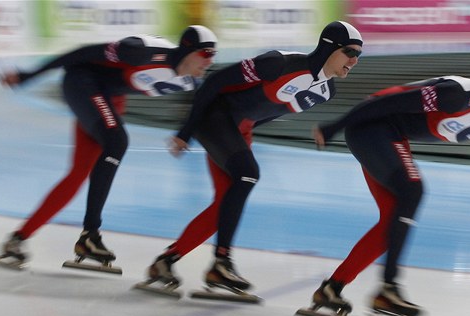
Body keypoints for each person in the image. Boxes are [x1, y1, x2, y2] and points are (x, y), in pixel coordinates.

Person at [308, 57, 470, 316]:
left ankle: (332, 288)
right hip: (371, 127)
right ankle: (389, 289)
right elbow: (383, 102)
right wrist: (334, 126)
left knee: (392, 220)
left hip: (390, 137)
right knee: (413, 191)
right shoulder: (457, 95)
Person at [144, 21, 364, 293]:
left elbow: (274, 111)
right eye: (350, 52)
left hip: (238, 129)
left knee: (226, 203)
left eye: (359, 55)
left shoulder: (326, 92)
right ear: (329, 48)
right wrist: (186, 132)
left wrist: (243, 135)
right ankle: (221, 263)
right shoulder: (278, 63)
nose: (354, 61)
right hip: (215, 118)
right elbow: (214, 82)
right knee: (247, 175)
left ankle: (166, 261)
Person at [0, 25, 218, 268]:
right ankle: (90, 233)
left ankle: (18, 238)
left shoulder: (191, 82)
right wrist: (29, 75)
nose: (209, 61)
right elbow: (80, 54)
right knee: (117, 141)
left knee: (79, 173)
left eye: (214, 55)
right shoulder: (141, 51)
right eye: (206, 54)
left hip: (109, 97)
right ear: (188, 50)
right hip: (83, 82)